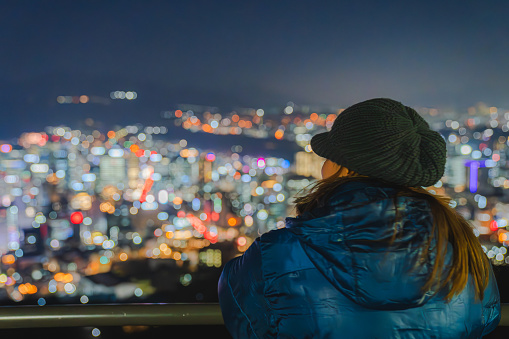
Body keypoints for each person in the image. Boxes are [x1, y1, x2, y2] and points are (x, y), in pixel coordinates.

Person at [218, 98, 501, 338]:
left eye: (329, 157)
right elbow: (484, 323)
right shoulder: (466, 251)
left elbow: (241, 309)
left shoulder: (278, 254)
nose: (324, 167)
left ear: (346, 167)